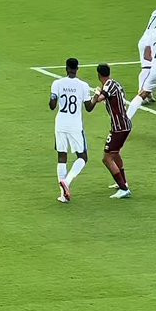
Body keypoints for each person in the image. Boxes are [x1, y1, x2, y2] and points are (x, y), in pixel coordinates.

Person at [49, 58, 98, 203]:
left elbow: (52, 105)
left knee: (61, 156)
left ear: (66, 68)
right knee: (83, 157)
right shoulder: (83, 86)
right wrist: (96, 97)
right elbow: (89, 108)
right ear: (77, 69)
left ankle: (62, 195)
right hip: (75, 125)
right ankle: (67, 182)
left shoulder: (57, 83)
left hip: (60, 124)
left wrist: (53, 97)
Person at [92, 63, 132, 198]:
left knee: (107, 158)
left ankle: (123, 189)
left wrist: (96, 94)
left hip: (119, 127)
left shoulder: (108, 85)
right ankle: (123, 182)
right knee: (115, 154)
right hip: (123, 125)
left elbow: (99, 99)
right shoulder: (115, 84)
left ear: (98, 75)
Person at [127, 8, 156, 119]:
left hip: (148, 40)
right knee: (146, 69)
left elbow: (147, 56)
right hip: (149, 42)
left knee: (148, 68)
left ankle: (145, 93)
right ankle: (143, 92)